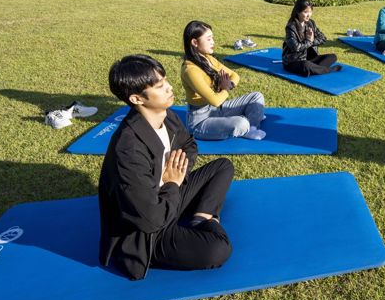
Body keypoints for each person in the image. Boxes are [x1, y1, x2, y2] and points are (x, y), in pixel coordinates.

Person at [99, 55, 233, 280]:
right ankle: (210, 222)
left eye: (166, 81)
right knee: (218, 249)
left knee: (223, 167)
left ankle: (200, 217)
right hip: (148, 232)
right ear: (137, 98)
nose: (170, 88)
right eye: (160, 86)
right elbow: (151, 219)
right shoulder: (128, 149)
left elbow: (188, 145)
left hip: (169, 195)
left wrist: (174, 173)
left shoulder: (165, 115)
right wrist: (171, 182)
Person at [181, 20, 266, 141]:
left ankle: (252, 128)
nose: (213, 42)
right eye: (209, 39)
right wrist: (225, 88)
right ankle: (249, 122)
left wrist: (228, 84)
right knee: (241, 123)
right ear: (195, 42)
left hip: (218, 109)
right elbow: (215, 100)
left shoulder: (208, 58)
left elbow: (234, 75)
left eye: (212, 38)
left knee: (256, 97)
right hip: (200, 121)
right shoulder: (190, 70)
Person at [282, 0, 342, 76]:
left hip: (309, 59)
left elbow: (323, 38)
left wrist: (312, 41)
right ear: (298, 12)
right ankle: (327, 70)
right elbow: (296, 47)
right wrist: (308, 41)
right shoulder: (291, 27)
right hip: (294, 61)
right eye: (305, 12)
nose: (309, 15)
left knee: (332, 57)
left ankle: (314, 69)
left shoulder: (311, 23)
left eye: (310, 11)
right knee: (305, 65)